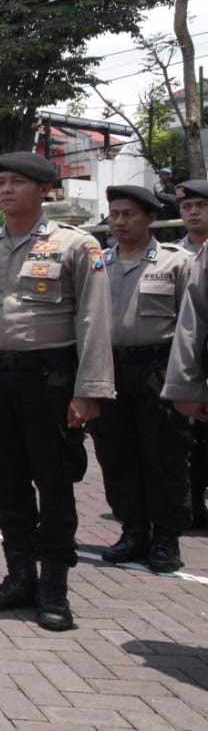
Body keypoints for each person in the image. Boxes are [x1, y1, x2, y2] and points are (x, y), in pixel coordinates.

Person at [0, 152, 114, 631]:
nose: (5, 190)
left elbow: (93, 321)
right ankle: (18, 575)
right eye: (0, 182)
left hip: (51, 378)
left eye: (17, 182)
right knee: (5, 480)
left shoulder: (76, 245)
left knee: (55, 480)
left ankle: (54, 586)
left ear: (44, 190)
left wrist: (89, 391)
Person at [91, 186, 191, 573]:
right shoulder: (98, 263)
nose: (118, 221)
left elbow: (190, 324)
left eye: (128, 214)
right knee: (117, 454)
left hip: (158, 368)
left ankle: (166, 538)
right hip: (111, 369)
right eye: (114, 214)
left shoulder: (176, 262)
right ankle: (133, 531)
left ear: (150, 218)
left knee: (164, 455)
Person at [175, 180, 208, 526]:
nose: (193, 212)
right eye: (186, 207)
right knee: (188, 443)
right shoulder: (175, 256)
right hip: (185, 365)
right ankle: (192, 503)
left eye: (200, 206)